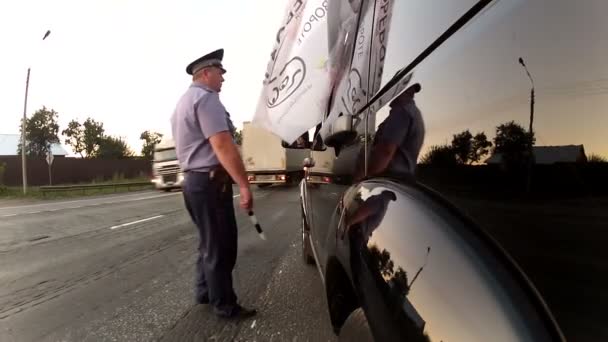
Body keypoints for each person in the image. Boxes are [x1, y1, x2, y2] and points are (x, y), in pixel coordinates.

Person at [170, 48, 256, 319]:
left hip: (193, 183)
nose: (223, 78)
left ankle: (205, 291)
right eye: (220, 72)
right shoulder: (207, 100)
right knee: (221, 245)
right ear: (205, 73)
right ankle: (225, 305)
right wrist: (243, 184)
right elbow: (221, 144)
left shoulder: (184, 101)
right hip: (209, 183)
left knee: (208, 241)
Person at [354, 83, 425, 182]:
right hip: (397, 181)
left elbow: (386, 151)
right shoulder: (414, 113)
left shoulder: (401, 112)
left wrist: (364, 177)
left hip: (389, 181)